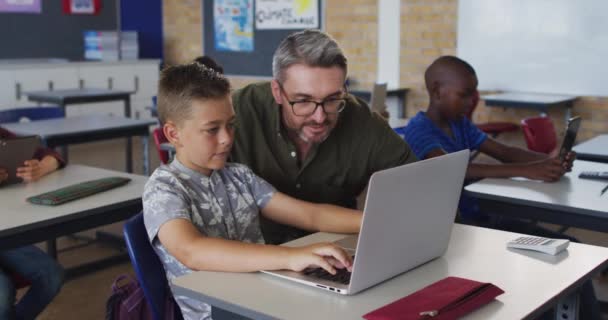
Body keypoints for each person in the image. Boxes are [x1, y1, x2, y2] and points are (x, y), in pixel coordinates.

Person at [143, 62, 362, 320]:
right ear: (173, 133)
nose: (226, 138)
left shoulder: (239, 176)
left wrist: (376, 221)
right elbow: (192, 250)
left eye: (231, 125)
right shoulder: (164, 189)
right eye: (212, 129)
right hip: (221, 313)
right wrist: (290, 257)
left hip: (265, 299)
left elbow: (309, 215)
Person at [402, 55, 600, 320]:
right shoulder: (419, 131)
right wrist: (528, 171)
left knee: (570, 249)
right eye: (465, 94)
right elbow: (453, 170)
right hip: (461, 233)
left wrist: (549, 162)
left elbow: (503, 151)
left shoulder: (459, 123)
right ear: (438, 91)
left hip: (483, 222)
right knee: (549, 266)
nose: (473, 101)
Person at [229, 29, 417, 245]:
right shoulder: (236, 114)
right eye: (303, 101)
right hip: (252, 255)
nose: (319, 117)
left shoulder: (362, 121)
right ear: (277, 92)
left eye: (332, 99)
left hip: (338, 254)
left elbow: (418, 185)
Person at [0, 127, 65, 320]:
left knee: (51, 275)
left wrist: (40, 167)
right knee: (2, 292)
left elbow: (49, 153)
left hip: (5, 232)